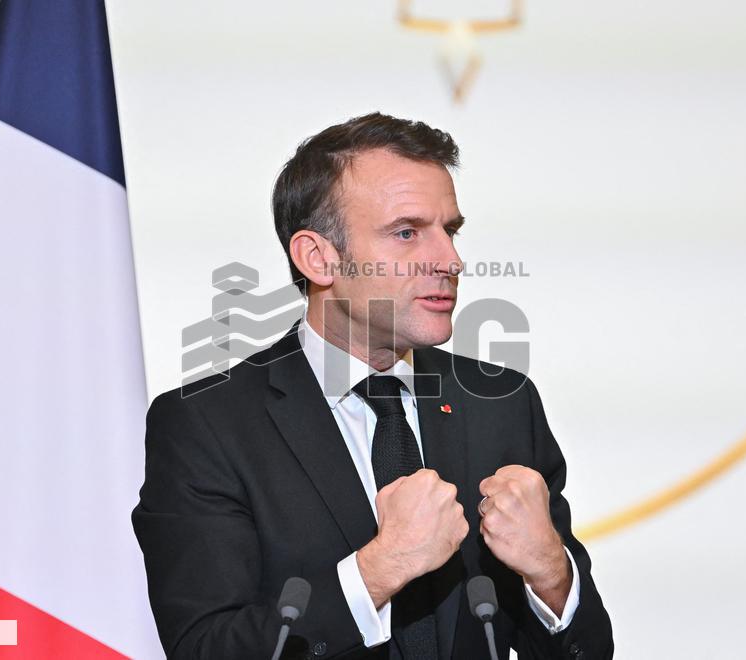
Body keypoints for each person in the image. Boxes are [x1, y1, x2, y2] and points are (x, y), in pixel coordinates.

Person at [132, 112, 613, 659]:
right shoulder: (207, 424)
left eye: (449, 230)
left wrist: (551, 571)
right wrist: (380, 569)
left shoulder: (501, 402)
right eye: (407, 233)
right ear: (319, 258)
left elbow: (588, 650)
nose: (449, 260)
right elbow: (205, 648)